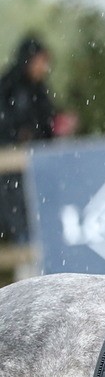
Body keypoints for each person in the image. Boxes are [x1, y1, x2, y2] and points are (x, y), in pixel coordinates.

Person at [0, 36, 56, 243]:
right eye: (41, 61)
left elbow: (46, 125)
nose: (44, 67)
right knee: (20, 224)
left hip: (37, 169)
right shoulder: (8, 87)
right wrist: (20, 134)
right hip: (10, 174)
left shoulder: (39, 90)